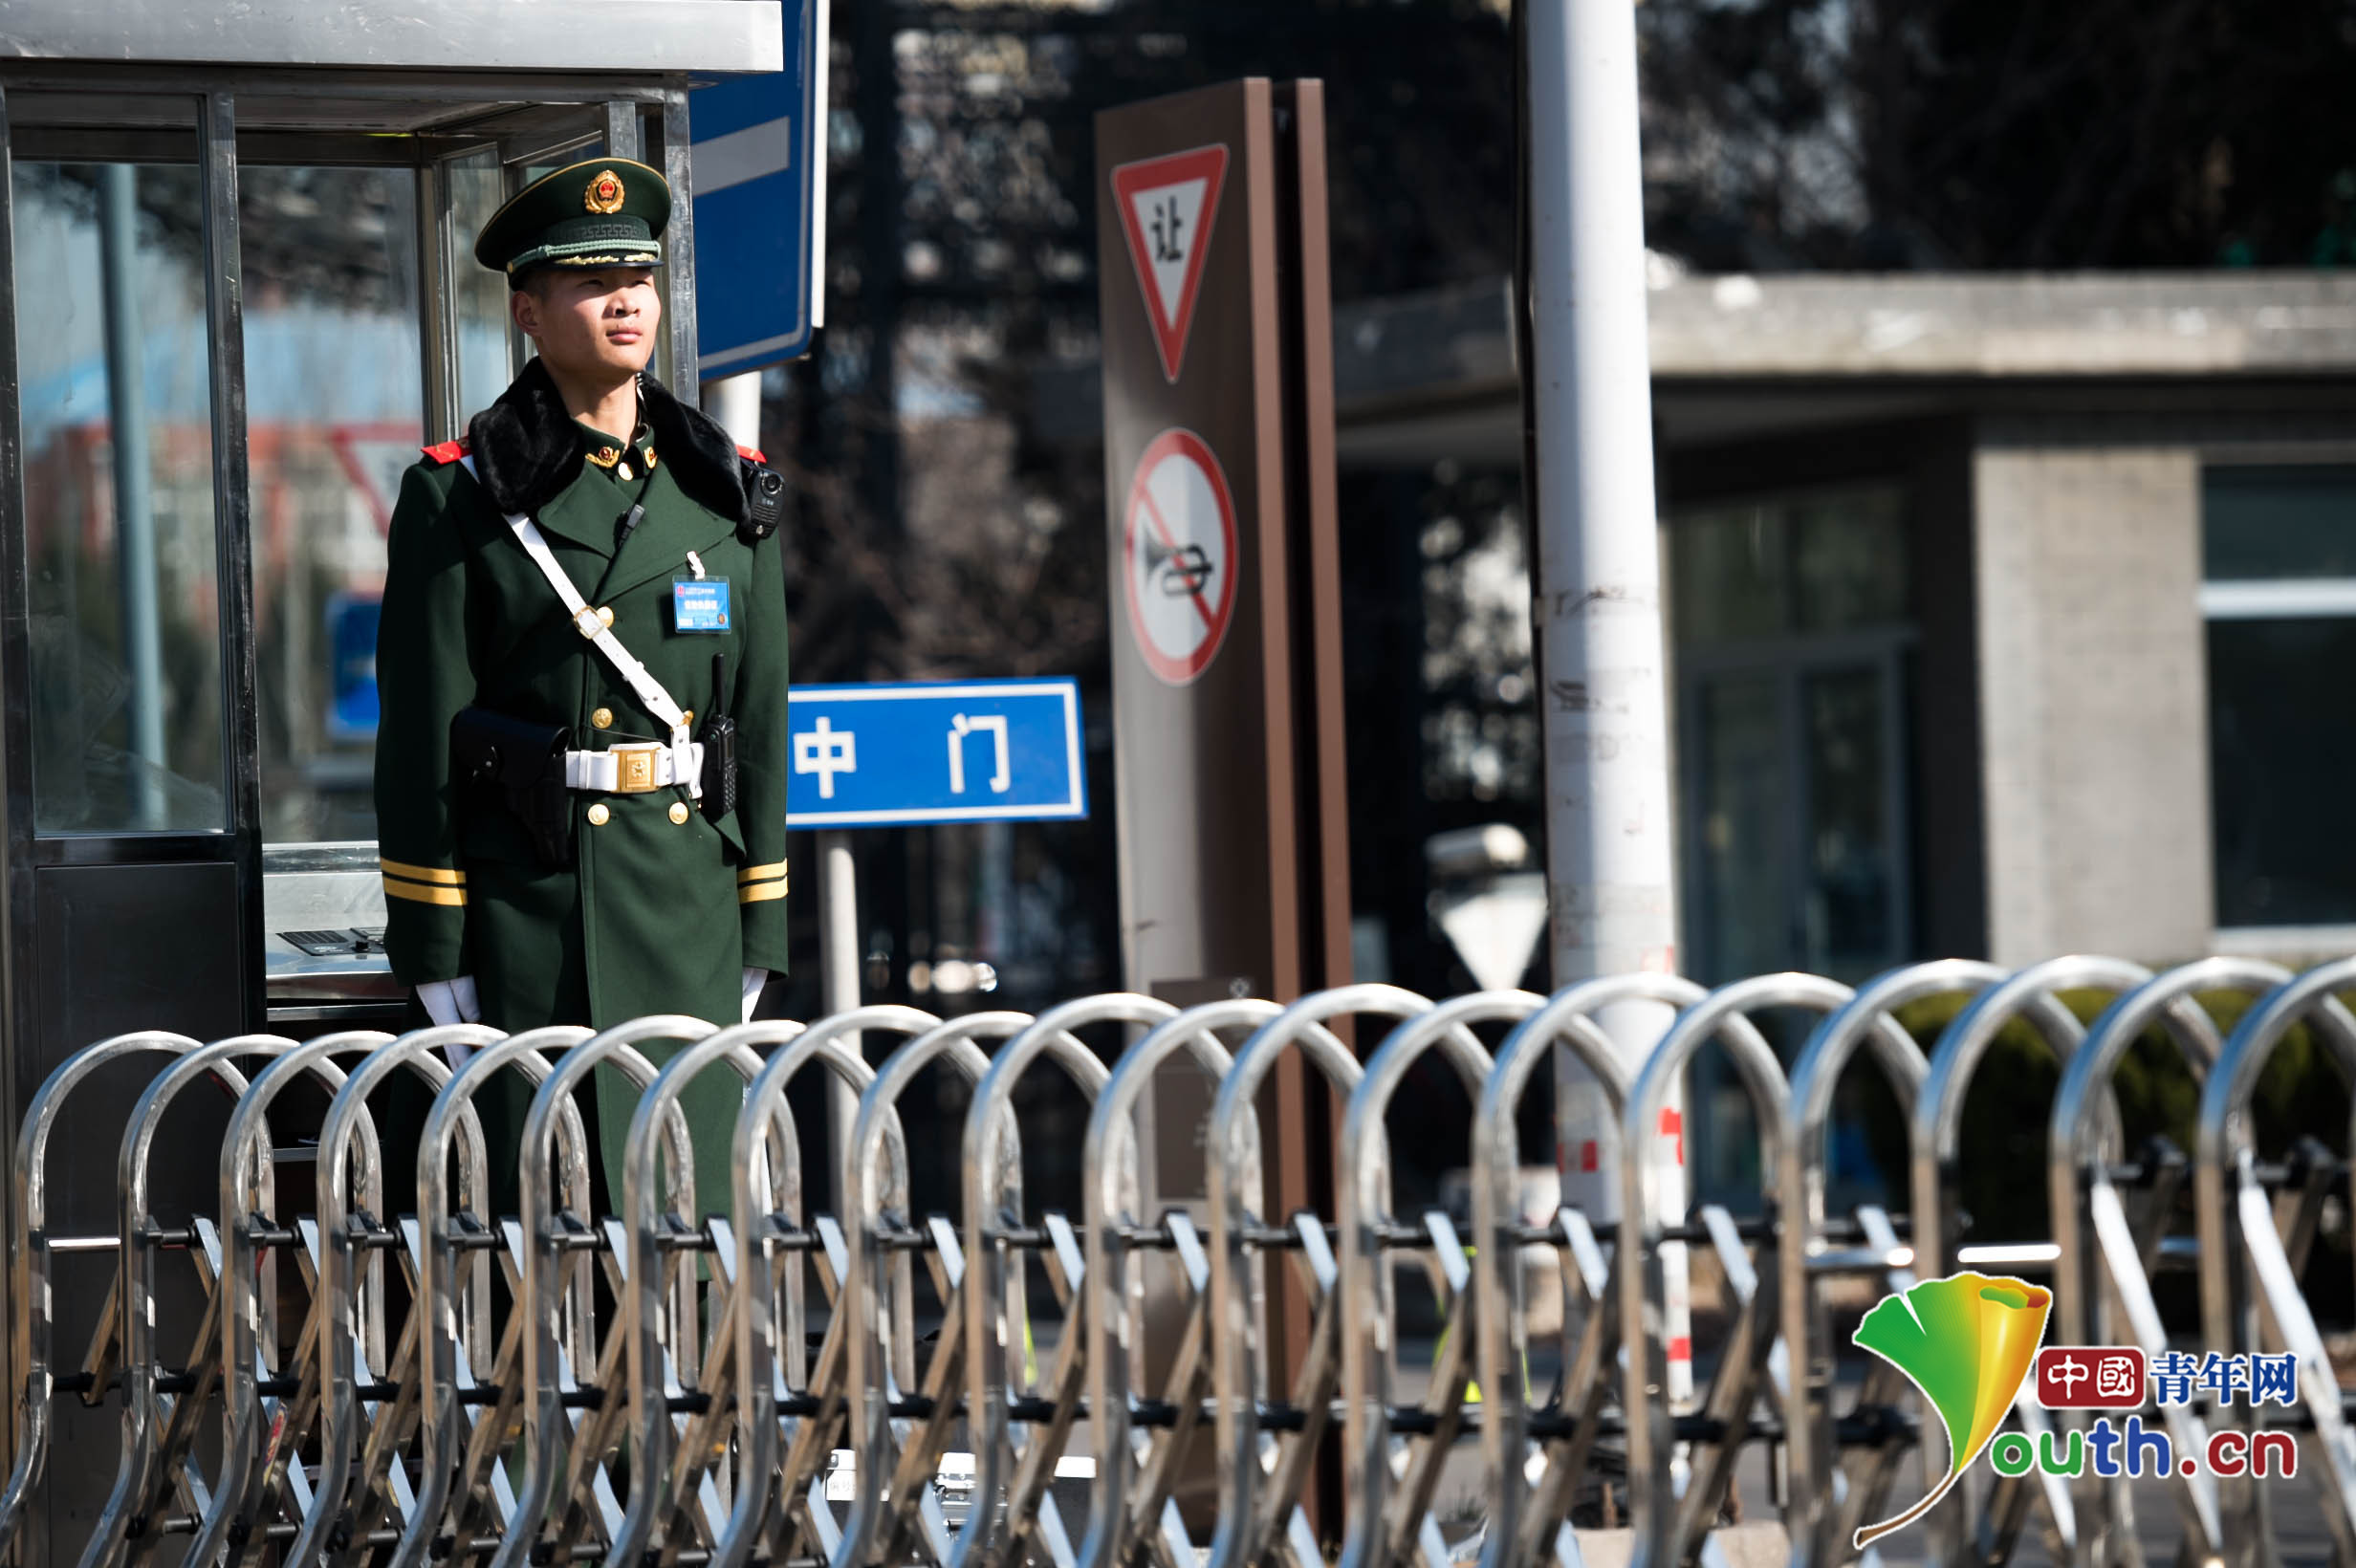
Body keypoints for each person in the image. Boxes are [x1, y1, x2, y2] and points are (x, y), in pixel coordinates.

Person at [374, 157, 790, 1219]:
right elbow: (421, 739)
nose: (624, 302)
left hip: (686, 914)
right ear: (526, 310)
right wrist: (435, 944)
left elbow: (761, 722)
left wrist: (758, 928)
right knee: (545, 1244)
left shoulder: (721, 486)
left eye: (639, 281)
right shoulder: (458, 494)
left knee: (685, 1237)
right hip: (536, 922)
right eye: (589, 282)